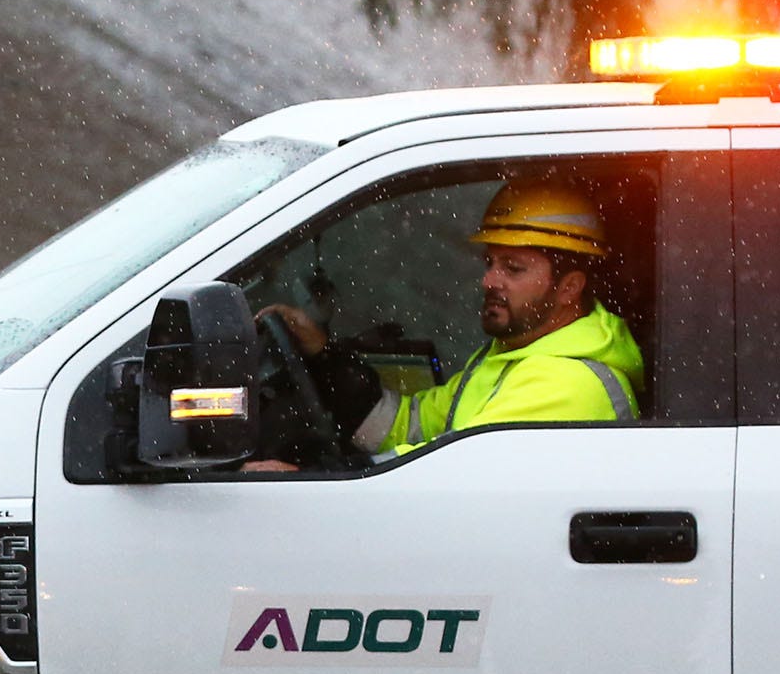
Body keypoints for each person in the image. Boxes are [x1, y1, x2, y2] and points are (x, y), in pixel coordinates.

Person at [249, 181, 645, 469]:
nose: (489, 281)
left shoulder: (566, 383)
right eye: (490, 263)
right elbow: (408, 427)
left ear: (569, 288)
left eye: (513, 268)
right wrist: (323, 356)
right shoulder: (512, 359)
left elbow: (434, 473)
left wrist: (311, 480)